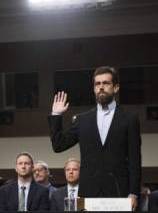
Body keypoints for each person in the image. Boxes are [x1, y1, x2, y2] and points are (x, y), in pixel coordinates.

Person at [48, 66, 141, 210]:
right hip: (87, 193)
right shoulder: (82, 120)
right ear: (93, 88)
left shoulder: (129, 120)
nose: (101, 87)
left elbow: (135, 159)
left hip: (119, 191)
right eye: (97, 84)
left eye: (106, 83)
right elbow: (58, 145)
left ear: (115, 88)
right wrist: (56, 115)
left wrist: (134, 192)